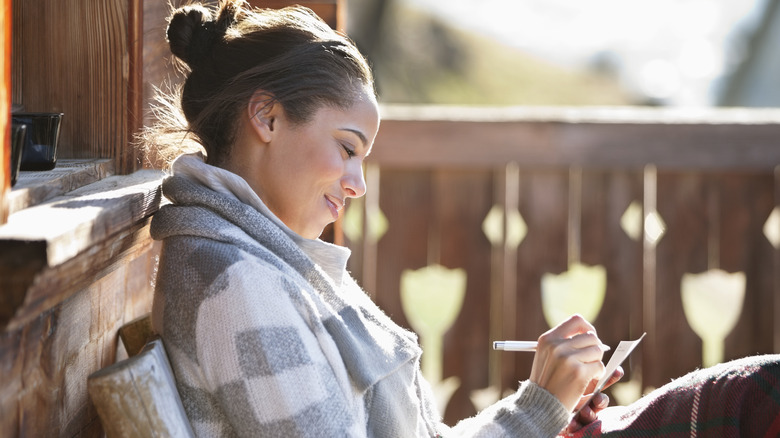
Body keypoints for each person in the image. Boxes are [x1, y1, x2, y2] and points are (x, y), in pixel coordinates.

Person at [145, 1, 780, 437]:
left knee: (756, 397)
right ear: (267, 117)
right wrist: (537, 409)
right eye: (346, 148)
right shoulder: (235, 285)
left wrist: (547, 403)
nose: (358, 183)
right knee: (757, 401)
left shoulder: (265, 261)